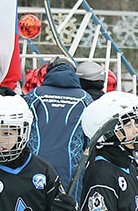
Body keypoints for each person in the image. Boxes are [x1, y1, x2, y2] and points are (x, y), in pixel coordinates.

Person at [25, 59, 92, 189]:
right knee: (68, 206)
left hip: (35, 163)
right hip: (70, 166)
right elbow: (91, 136)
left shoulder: (35, 95)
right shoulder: (84, 98)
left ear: (48, 73)